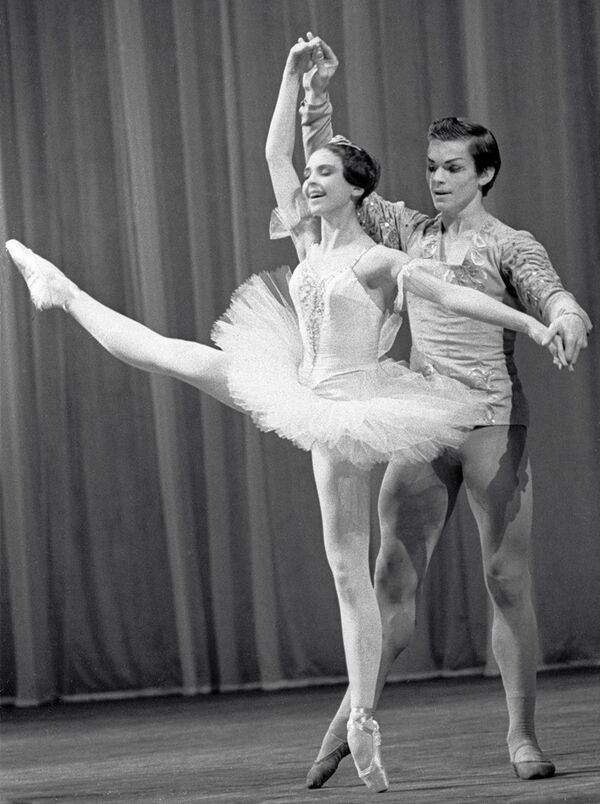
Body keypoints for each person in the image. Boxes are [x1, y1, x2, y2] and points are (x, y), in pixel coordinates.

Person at [6, 41, 563, 795]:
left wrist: (537, 322)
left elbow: (459, 292)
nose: (310, 181)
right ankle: (63, 291)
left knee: (369, 572)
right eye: (312, 174)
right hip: (304, 384)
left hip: (370, 410)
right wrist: (294, 82)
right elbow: (282, 155)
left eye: (326, 174)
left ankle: (378, 722)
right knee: (174, 356)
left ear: (358, 191)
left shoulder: (393, 255)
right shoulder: (319, 234)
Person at [297, 35, 592, 788]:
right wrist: (315, 99)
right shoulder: (406, 231)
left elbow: (548, 290)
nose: (437, 179)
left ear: (483, 173)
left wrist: (565, 315)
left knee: (506, 579)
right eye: (431, 167)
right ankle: (348, 721)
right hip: (422, 422)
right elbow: (334, 174)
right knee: (388, 581)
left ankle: (522, 734)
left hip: (491, 422)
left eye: (452, 168)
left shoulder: (508, 243)